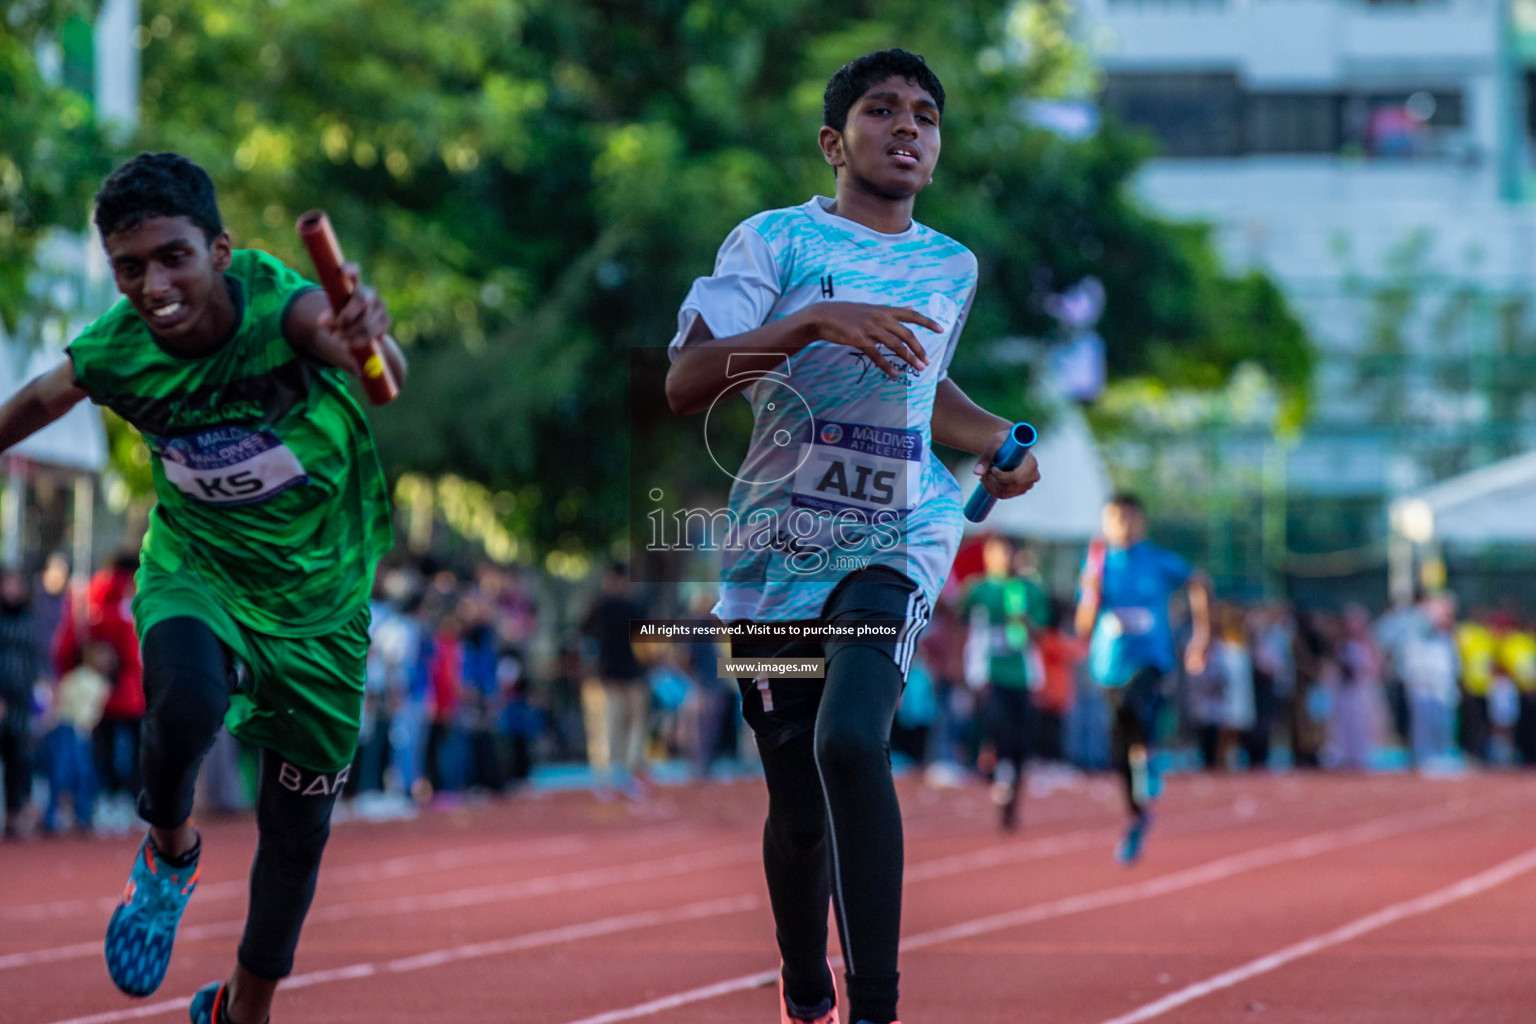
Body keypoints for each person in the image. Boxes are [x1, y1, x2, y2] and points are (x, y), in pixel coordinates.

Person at [665, 50, 1040, 1024]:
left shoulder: (950, 264)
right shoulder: (773, 244)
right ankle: (804, 986)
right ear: (836, 142)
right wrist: (809, 324)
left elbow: (926, 394)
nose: (909, 127)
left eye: (926, 114)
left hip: (896, 525)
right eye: (883, 111)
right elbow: (687, 382)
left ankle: (878, 1005)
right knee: (796, 808)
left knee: (851, 742)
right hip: (775, 547)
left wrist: (998, 437)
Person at [0, 152, 403, 1024]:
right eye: (130, 267)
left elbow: (345, 341)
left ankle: (242, 1008)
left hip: (320, 600)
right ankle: (169, 853)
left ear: (219, 250)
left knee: (296, 834)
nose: (154, 284)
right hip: (200, 566)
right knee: (181, 704)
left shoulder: (277, 304)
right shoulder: (119, 346)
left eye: (173, 257)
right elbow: (38, 399)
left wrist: (366, 328)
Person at [1075, 493, 1209, 865]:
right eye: (1113, 519)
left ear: (1140, 521)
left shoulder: (1158, 560)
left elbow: (1199, 582)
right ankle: (1136, 816)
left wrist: (1201, 635)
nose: (1120, 525)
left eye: (1127, 518)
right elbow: (1082, 624)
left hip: (1151, 657)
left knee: (1138, 706)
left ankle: (1150, 757)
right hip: (1108, 664)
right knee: (1119, 745)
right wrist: (1090, 593)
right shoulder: (1097, 564)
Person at [962, 536, 1048, 831]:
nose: (1000, 559)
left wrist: (1024, 621)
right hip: (988, 673)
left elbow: (1040, 635)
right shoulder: (977, 590)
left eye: (1006, 554)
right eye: (994, 553)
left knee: (1020, 741)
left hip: (1023, 675)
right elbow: (960, 623)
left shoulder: (1029, 590)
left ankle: (1012, 793)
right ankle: (995, 769)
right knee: (996, 726)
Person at [579, 562, 650, 798]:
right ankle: (616, 776)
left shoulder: (602, 606)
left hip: (618, 675)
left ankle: (618, 775)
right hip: (617, 676)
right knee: (618, 725)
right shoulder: (621, 606)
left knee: (620, 726)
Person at [43, 639, 114, 833]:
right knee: (63, 773)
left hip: (79, 730)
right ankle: (54, 816)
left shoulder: (99, 683)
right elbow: (61, 704)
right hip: (67, 728)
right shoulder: (77, 679)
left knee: (82, 774)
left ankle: (82, 816)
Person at [0, 567, 40, 838]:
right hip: (1, 697)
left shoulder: (28, 619)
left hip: (21, 702)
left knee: (19, 759)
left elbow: (36, 658)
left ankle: (15, 816)